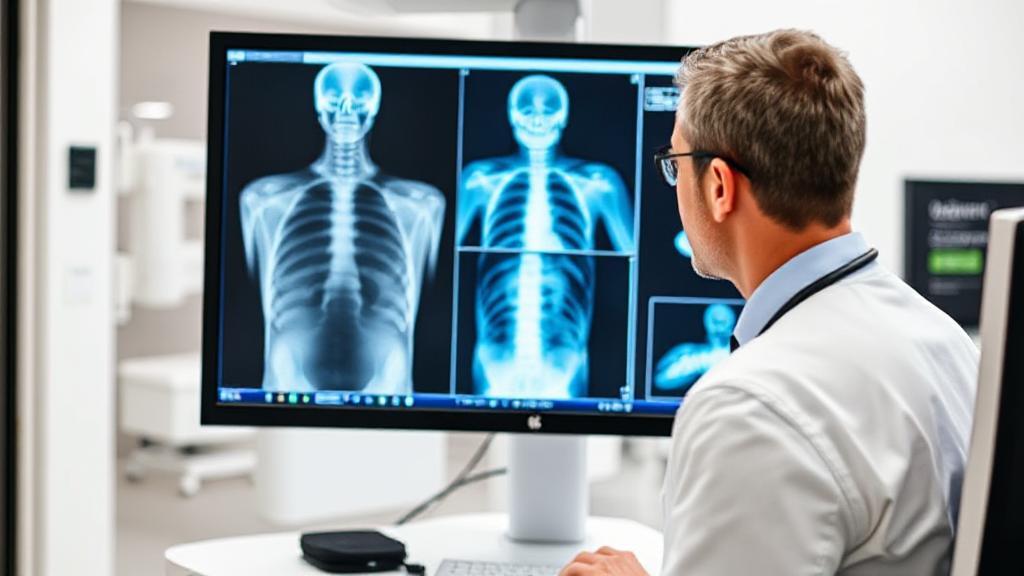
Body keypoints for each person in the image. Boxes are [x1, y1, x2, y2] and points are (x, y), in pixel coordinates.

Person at [560, 29, 978, 575]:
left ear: (718, 186)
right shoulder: (942, 338)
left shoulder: (750, 407)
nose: (673, 186)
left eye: (674, 164)